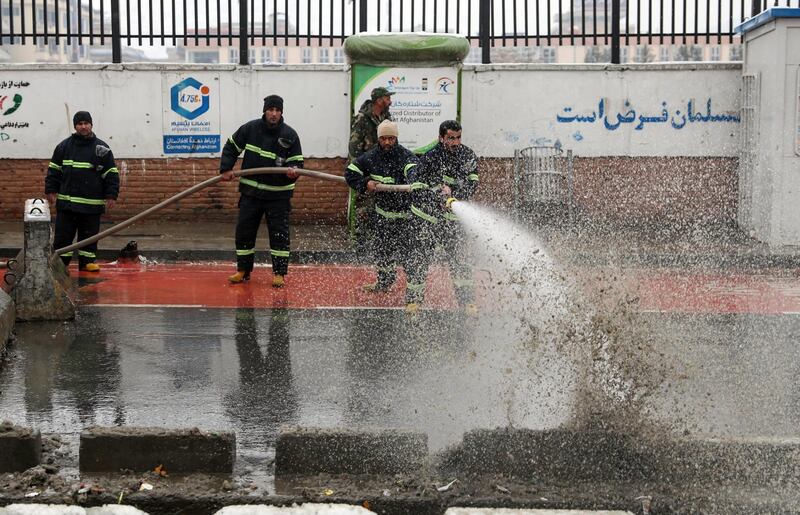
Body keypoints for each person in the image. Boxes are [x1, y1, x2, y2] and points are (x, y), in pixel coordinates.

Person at [220, 94, 303, 287]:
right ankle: (243, 270)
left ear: (281, 112)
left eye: (277, 110)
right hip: (251, 194)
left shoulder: (290, 135)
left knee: (279, 235)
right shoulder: (250, 129)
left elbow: (297, 160)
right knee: (244, 232)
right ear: (264, 111)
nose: (273, 114)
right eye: (270, 110)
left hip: (278, 196)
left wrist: (294, 171)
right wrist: (226, 168)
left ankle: (279, 273)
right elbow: (231, 147)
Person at [412, 120, 480, 315]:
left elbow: (472, 184)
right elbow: (418, 187)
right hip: (429, 220)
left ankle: (467, 303)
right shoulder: (430, 157)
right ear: (441, 138)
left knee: (459, 262)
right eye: (451, 138)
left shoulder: (467, 155)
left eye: (458, 138)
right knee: (420, 260)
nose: (456, 142)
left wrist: (454, 193)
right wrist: (436, 194)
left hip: (453, 223)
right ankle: (413, 303)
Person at [345, 120, 418, 298]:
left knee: (409, 254)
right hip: (382, 217)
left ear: (396, 138)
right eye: (383, 138)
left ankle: (414, 289)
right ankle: (384, 282)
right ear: (379, 139)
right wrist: (365, 183)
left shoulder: (406, 157)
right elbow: (350, 172)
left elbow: (413, 170)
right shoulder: (370, 157)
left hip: (405, 218)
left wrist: (413, 178)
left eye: (391, 138)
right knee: (382, 251)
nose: (387, 142)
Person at [45, 111, 119, 272]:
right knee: (63, 236)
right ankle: (60, 264)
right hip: (67, 204)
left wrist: (111, 195)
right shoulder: (64, 147)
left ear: (91, 125)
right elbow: (54, 170)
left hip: (91, 205)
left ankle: (87, 262)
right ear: (75, 126)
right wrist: (51, 190)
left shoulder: (102, 148)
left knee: (89, 236)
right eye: (80, 124)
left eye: (86, 123)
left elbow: (111, 173)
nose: (83, 126)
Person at [347, 87, 395, 255]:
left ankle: (378, 244)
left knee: (382, 207)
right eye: (387, 97)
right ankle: (359, 246)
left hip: (383, 170)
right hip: (366, 170)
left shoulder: (387, 117)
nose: (390, 100)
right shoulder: (361, 118)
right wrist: (361, 175)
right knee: (363, 209)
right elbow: (354, 147)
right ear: (379, 100)